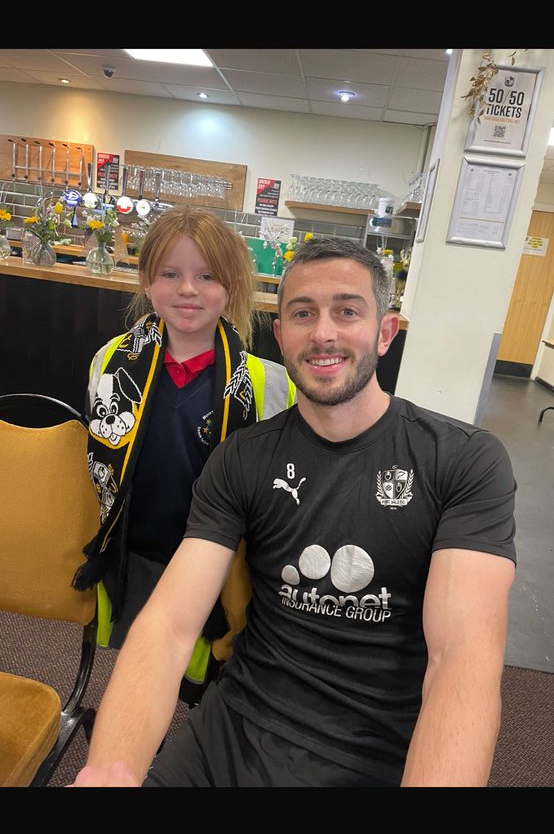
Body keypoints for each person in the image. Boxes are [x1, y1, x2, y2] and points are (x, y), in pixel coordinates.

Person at [71, 236, 516, 787]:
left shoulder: (462, 461)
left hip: (378, 752)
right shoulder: (240, 458)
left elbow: (463, 661)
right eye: (303, 313)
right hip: (232, 733)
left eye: (347, 311)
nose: (323, 332)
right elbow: (168, 625)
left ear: (385, 333)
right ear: (280, 335)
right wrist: (109, 770)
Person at [72, 205, 295, 701]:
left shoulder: (268, 385)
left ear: (233, 287)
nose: (187, 289)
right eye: (169, 274)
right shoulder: (110, 361)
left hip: (217, 567)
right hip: (137, 550)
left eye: (207, 275)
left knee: (206, 679)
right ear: (147, 281)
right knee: (139, 669)